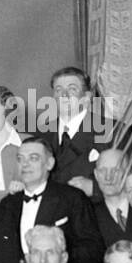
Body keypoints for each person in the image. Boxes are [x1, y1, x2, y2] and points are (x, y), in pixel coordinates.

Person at [0, 134, 104, 263]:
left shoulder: (72, 198)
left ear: (49, 163)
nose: (25, 164)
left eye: (33, 158)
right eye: (20, 159)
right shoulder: (8, 204)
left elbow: (93, 248)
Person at [45, 66, 103, 195]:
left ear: (87, 97)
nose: (64, 95)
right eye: (58, 90)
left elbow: (128, 180)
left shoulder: (111, 132)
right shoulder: (42, 134)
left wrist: (95, 188)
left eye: (72, 89)